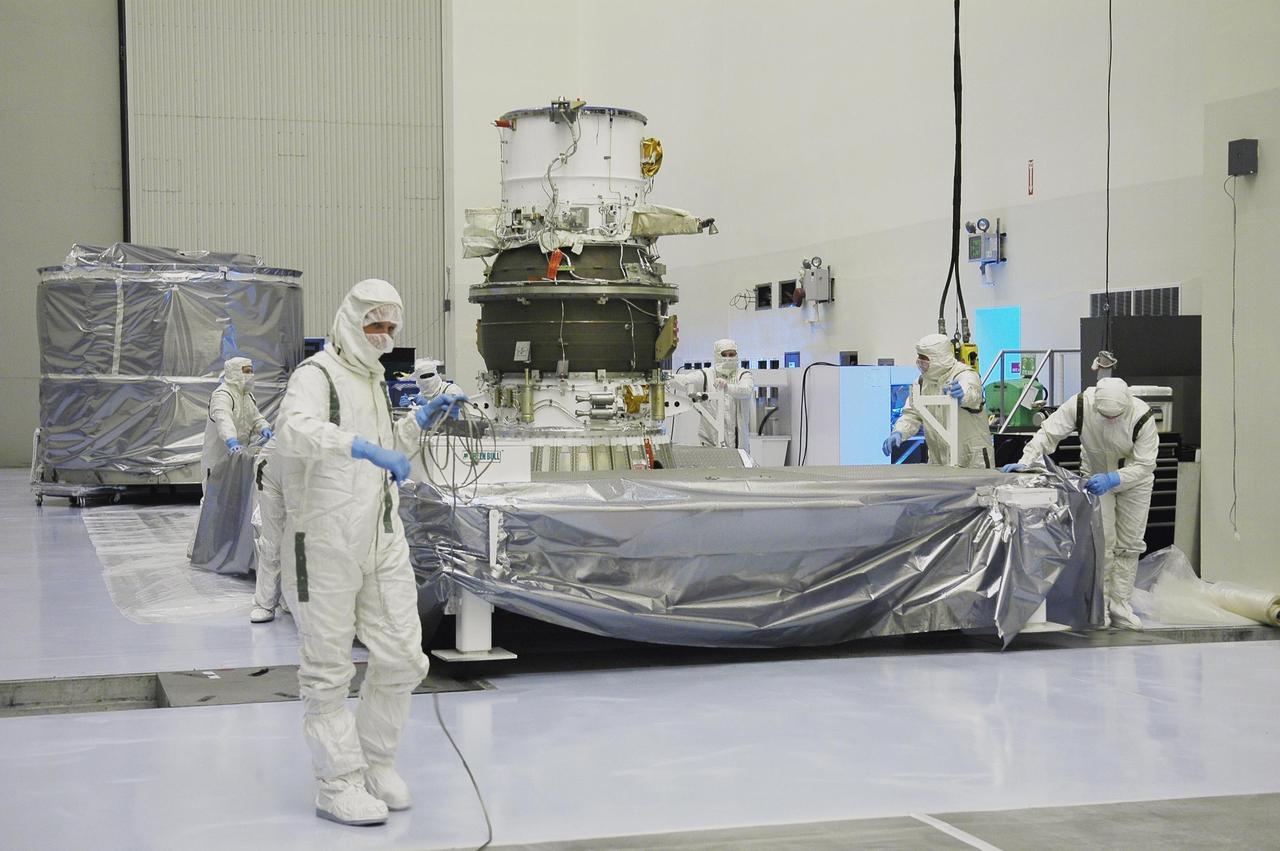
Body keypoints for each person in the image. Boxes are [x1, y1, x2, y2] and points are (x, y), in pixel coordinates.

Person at [274, 278, 466, 826]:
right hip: (324, 543)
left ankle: (376, 762)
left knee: (404, 656)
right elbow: (294, 430)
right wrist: (356, 445)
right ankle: (336, 783)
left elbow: (390, 452)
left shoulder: (374, 380)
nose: (383, 337)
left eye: (390, 328)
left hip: (380, 538)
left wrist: (420, 421)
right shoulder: (317, 377)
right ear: (351, 321)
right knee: (328, 669)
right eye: (374, 325)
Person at [1001, 377, 1158, 630]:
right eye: (1105, 417)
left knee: (1130, 544)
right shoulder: (1081, 405)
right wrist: (1028, 460)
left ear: (1127, 405)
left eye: (1115, 417)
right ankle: (1100, 608)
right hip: (1095, 477)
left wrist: (1115, 478)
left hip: (1134, 482)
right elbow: (1049, 433)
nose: (1110, 422)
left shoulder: (1142, 416)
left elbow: (1145, 464)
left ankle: (1120, 605)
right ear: (1096, 405)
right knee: (1103, 543)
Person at [190, 357, 272, 559]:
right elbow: (223, 419)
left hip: (238, 461)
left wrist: (265, 428)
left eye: (251, 370)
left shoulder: (246, 396)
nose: (250, 375)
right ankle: (199, 550)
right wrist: (231, 441)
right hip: (218, 461)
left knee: (234, 505)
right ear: (234, 371)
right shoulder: (222, 395)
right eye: (246, 370)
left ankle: (227, 551)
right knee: (212, 502)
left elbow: (255, 417)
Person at [882, 333, 993, 468]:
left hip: (973, 461)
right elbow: (912, 414)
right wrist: (899, 432)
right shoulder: (922, 382)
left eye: (924, 358)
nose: (919, 361)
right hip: (940, 461)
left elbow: (972, 392)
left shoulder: (964, 375)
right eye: (919, 357)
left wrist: (963, 395)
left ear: (938, 358)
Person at [671, 338, 754, 449]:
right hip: (711, 446)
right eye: (724, 354)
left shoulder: (743, 374)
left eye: (732, 354)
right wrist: (661, 378)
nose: (728, 358)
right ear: (717, 355)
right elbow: (685, 381)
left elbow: (746, 390)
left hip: (739, 446)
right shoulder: (707, 375)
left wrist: (727, 387)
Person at [249, 434, 284, 624]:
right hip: (271, 473)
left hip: (300, 470)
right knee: (274, 541)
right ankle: (265, 603)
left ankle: (291, 598)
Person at [397, 357, 462, 407]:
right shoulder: (419, 397)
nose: (428, 379)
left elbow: (455, 413)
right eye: (424, 376)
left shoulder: (451, 390)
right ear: (418, 380)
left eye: (430, 375)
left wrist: (428, 404)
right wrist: (409, 407)